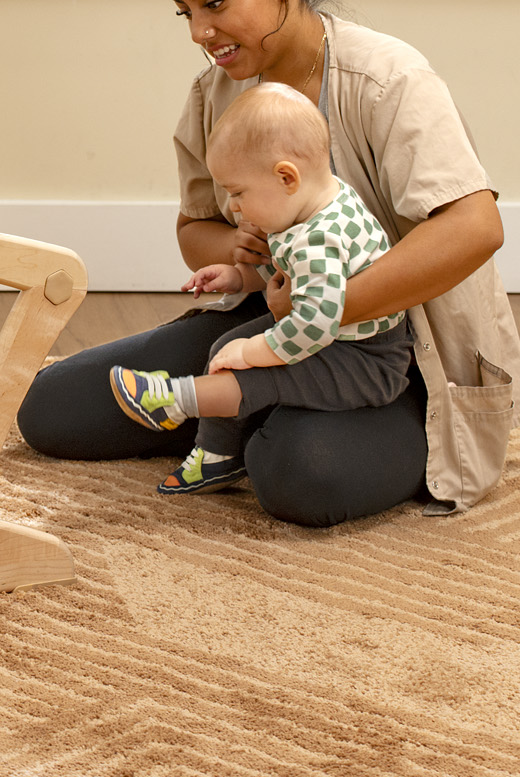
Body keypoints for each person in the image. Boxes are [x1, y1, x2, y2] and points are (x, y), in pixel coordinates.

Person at [16, 0, 520, 527]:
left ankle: (259, 413)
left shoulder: (389, 81)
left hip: (393, 352)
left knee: (297, 473)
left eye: (216, 2)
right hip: (274, 321)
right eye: (186, 12)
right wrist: (246, 268)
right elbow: (196, 227)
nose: (201, 30)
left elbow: (474, 227)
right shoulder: (216, 95)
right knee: (50, 411)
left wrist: (320, 306)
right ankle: (246, 402)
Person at [109, 82, 411, 495]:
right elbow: (293, 273)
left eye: (238, 192)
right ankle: (216, 456)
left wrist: (255, 351)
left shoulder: (317, 239)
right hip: (338, 339)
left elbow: (315, 323)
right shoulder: (321, 200)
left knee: (255, 375)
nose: (232, 207)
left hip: (365, 359)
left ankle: (175, 399)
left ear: (286, 177)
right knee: (223, 350)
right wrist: (238, 277)